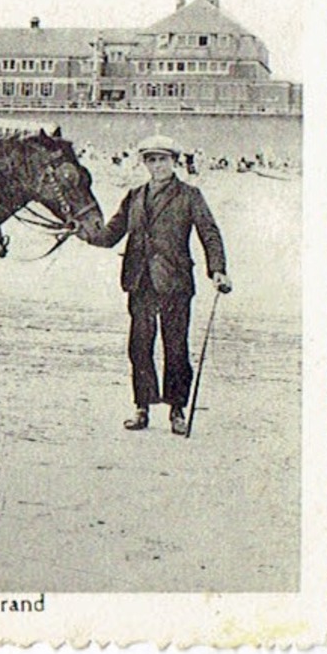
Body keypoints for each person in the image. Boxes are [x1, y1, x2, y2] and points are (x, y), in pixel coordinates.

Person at [83, 134, 231, 435]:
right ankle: (142, 407)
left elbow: (209, 233)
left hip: (175, 282)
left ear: (173, 162)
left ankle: (177, 410)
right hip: (140, 281)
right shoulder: (135, 196)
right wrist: (82, 232)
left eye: (162, 159)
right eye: (151, 160)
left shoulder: (190, 195)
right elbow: (111, 234)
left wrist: (217, 270)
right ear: (145, 164)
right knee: (139, 346)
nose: (157, 165)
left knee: (175, 347)